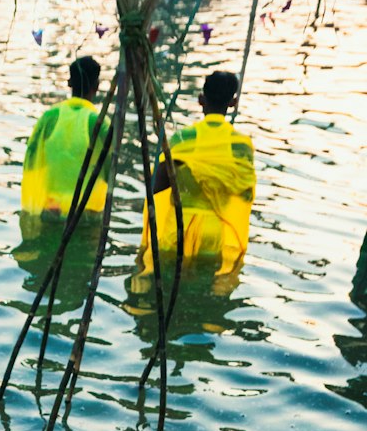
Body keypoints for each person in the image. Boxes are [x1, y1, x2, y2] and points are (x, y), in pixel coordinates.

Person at [136, 70, 256, 280]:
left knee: (167, 287)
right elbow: (245, 193)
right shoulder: (241, 145)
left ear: (201, 100)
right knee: (202, 292)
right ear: (233, 103)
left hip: (179, 231)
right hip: (213, 234)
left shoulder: (183, 138)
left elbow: (155, 185)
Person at [20, 55, 111, 219]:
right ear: (96, 86)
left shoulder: (49, 117)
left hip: (51, 209)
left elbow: (31, 160)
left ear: (69, 83)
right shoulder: (99, 124)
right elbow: (110, 169)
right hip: (85, 214)